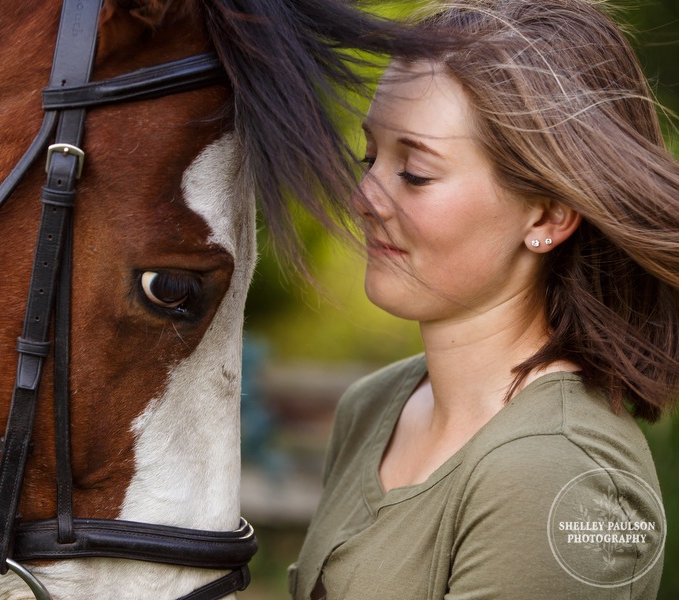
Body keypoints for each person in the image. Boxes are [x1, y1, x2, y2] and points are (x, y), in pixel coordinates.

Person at [289, 0, 679, 598]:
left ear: (549, 213)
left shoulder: (559, 474)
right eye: (370, 156)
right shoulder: (375, 406)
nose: (363, 197)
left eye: (414, 172)